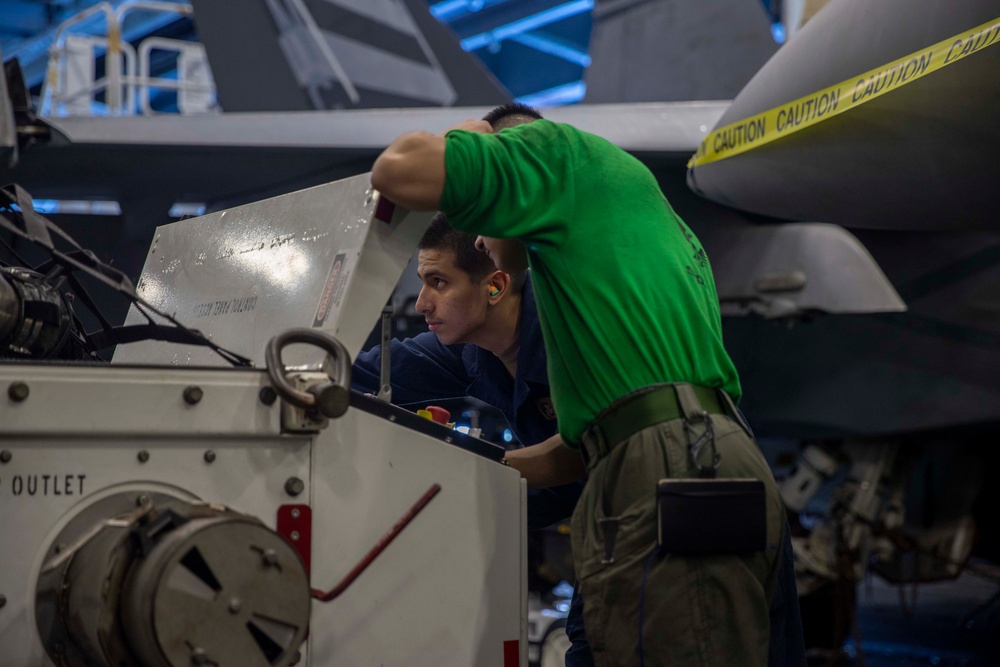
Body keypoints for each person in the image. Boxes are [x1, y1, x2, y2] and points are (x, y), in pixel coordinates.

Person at [371, 103, 804, 666]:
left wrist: (471, 135)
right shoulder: (618, 240)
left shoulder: (553, 155)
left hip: (667, 465)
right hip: (698, 456)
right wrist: (460, 474)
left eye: (480, 224)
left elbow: (399, 170)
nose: (478, 241)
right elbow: (575, 451)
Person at [351, 213, 583, 531]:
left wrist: (468, 467)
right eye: (423, 282)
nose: (421, 304)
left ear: (495, 287)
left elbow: (590, 445)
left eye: (438, 282)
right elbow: (362, 373)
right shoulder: (469, 350)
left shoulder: (575, 334)